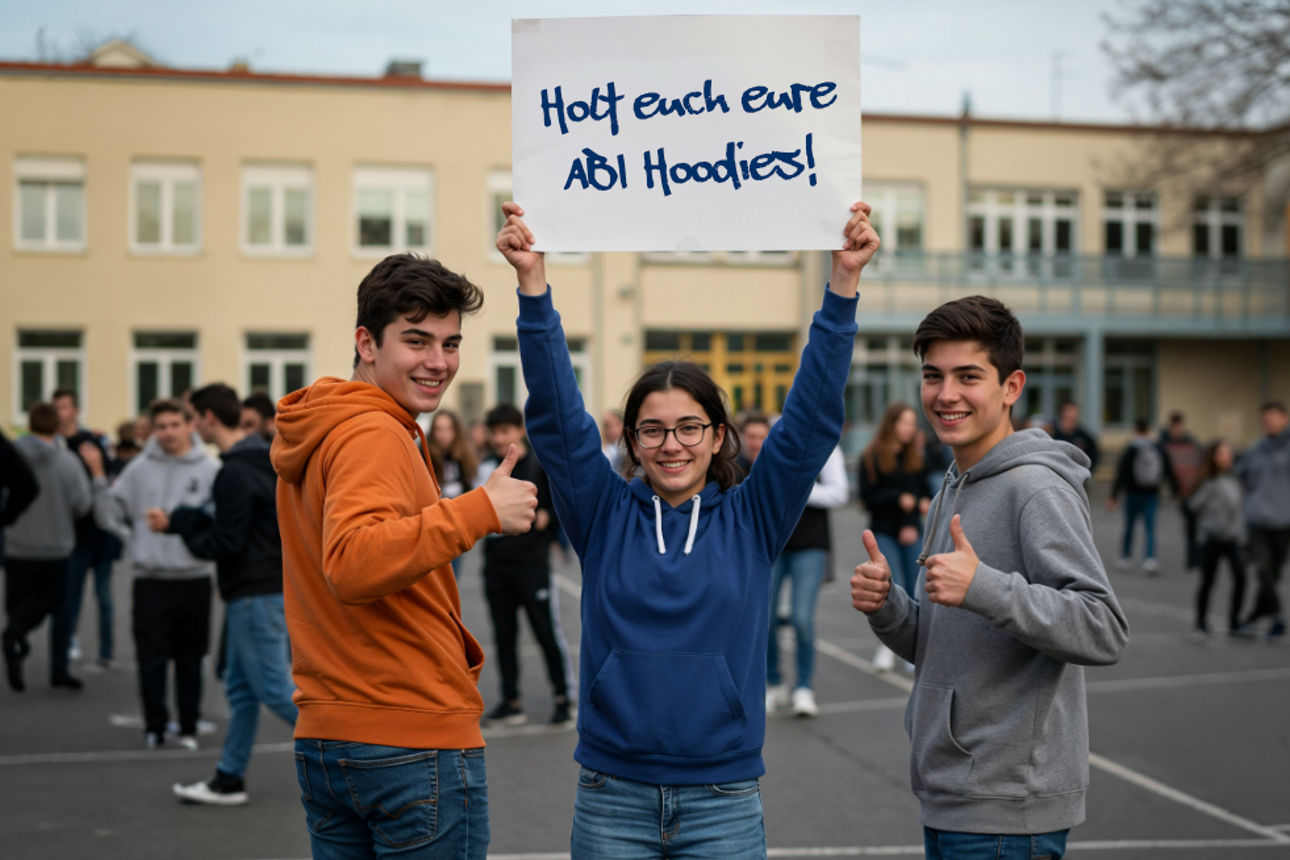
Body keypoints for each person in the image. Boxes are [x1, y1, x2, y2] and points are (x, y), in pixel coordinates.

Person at [498, 199, 878, 859]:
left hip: (722, 802)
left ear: (717, 436)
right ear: (632, 440)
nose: (671, 444)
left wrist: (841, 286)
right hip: (611, 795)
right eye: (652, 428)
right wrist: (534, 286)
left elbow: (810, 421)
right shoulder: (603, 513)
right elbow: (558, 417)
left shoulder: (755, 517)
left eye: (689, 427)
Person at [270, 252, 538, 859]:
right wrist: (480, 511)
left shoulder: (328, 424)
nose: (438, 362)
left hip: (332, 734)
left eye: (450, 343)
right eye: (416, 341)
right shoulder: (372, 431)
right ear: (367, 342)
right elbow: (354, 562)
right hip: (408, 736)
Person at [851, 294, 1129, 860]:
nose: (945, 394)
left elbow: (1102, 628)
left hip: (1006, 811)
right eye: (933, 376)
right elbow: (941, 644)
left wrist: (984, 587)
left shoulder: (1035, 489)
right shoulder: (955, 483)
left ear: (1011, 386)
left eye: (967, 376)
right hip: (953, 792)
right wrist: (889, 608)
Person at [148, 383, 297, 806]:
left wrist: (186, 535)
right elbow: (233, 525)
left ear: (208, 419)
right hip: (258, 591)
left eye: (193, 418)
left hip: (254, 593)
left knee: (272, 689)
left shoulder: (233, 470)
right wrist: (183, 521)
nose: (193, 427)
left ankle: (353, 757)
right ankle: (229, 779)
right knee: (241, 689)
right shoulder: (258, 460)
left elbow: (226, 541)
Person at [83, 398, 219, 748]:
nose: (168, 433)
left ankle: (188, 726)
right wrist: (132, 539)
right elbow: (109, 508)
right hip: (150, 580)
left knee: (190, 660)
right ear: (152, 430)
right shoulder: (139, 468)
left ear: (190, 425)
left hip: (193, 578)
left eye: (175, 425)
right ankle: (155, 726)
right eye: (161, 427)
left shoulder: (209, 469)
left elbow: (220, 521)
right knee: (151, 659)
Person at [476, 403, 573, 726]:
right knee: (504, 635)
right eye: (495, 432)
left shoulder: (538, 464)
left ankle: (563, 697)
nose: (499, 438)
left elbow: (560, 501)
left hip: (531, 564)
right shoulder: (488, 468)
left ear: (519, 431)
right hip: (497, 565)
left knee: (545, 632)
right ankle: (511, 701)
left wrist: (549, 517)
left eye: (505, 431)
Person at [2, 403, 92, 691]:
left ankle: (17, 638)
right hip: (57, 546)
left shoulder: (9, 459)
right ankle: (59, 669)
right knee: (60, 609)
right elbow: (83, 504)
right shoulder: (68, 462)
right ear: (57, 427)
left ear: (29, 424)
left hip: (17, 545)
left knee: (17, 604)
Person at [764, 439, 848, 717]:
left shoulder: (827, 448)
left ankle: (803, 686)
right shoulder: (778, 441)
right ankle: (773, 682)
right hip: (774, 544)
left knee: (801, 618)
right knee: (766, 619)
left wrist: (799, 488)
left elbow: (839, 494)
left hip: (810, 544)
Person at [857, 402, 931, 673]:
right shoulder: (872, 456)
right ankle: (888, 646)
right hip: (883, 531)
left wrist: (912, 519)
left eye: (912, 423)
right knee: (891, 587)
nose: (909, 428)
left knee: (917, 590)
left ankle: (911, 650)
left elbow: (922, 494)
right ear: (891, 424)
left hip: (911, 531)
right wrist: (899, 500)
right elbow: (868, 498)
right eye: (904, 422)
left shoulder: (915, 457)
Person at [52, 388, 121, 670]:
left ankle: (106, 652)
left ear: (75, 410)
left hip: (98, 532)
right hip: (72, 534)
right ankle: (70, 642)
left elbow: (103, 480)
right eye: (56, 408)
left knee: (103, 595)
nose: (60, 413)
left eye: (65, 407)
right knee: (71, 595)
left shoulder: (89, 442)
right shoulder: (53, 446)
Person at [1235, 401, 1290, 639]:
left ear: (1284, 419)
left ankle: (1253, 618)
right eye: (1263, 419)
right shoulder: (1256, 448)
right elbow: (1242, 474)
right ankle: (1278, 617)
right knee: (1263, 572)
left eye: (1271, 418)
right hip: (1257, 521)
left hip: (1284, 522)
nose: (1266, 422)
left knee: (1273, 576)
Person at [1187, 440, 1248, 638]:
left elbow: (1240, 509)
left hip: (1233, 538)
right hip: (1212, 538)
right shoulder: (1208, 481)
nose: (1226, 457)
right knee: (1208, 581)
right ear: (1213, 457)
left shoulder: (1236, 479)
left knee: (1240, 578)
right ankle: (1201, 623)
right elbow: (1194, 506)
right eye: (1221, 453)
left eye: (1228, 453)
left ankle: (1235, 622)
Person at [1109, 418, 1178, 574]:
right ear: (1148, 429)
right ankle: (1150, 558)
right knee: (1150, 527)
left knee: (1129, 527)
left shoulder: (1131, 448)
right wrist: (1175, 491)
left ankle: (1125, 557)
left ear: (1135, 429)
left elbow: (1121, 472)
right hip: (1151, 494)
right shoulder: (1158, 447)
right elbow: (1168, 470)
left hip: (1132, 494)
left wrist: (1114, 495)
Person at [428, 409, 478, 577]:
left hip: (456, 528)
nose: (444, 434)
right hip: (433, 528)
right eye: (439, 429)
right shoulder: (425, 455)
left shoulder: (463, 456)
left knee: (452, 579)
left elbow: (469, 489)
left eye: (449, 429)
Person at [1160, 411, 1205, 569]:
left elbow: (1200, 463)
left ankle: (1195, 557)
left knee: (1195, 524)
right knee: (1191, 524)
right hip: (1181, 491)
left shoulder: (1189, 442)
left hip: (1193, 489)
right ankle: (1193, 558)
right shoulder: (1165, 443)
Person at [1052, 400, 1099, 474]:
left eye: (1074, 411)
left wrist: (1084, 472)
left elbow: (1093, 457)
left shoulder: (1084, 436)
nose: (1072, 414)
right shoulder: (1052, 433)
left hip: (1076, 476)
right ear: (1062, 412)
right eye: (1068, 410)